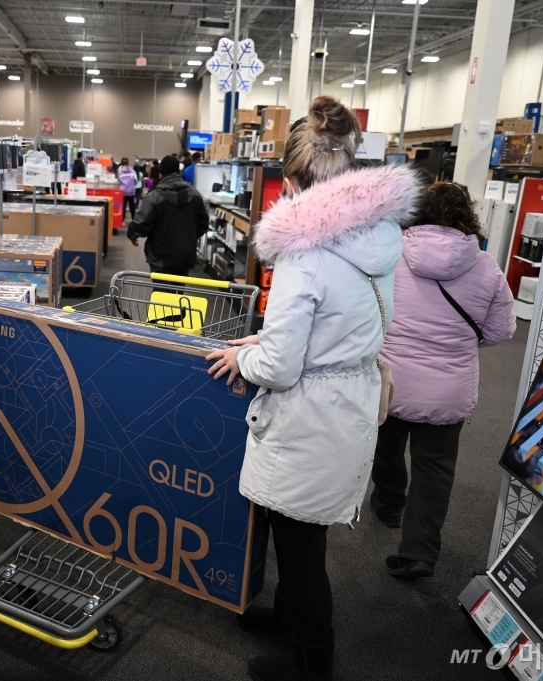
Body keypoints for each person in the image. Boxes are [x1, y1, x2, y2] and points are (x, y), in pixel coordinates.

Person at [205, 96, 420, 681]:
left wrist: (247, 359)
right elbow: (345, 328)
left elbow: (280, 367)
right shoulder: (377, 239)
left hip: (309, 414)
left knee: (301, 550)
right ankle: (292, 622)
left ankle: (311, 657)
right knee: (295, 529)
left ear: (298, 179)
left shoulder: (305, 253)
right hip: (345, 400)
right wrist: (268, 346)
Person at [370, 181, 516, 579]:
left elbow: (368, 313)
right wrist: (459, 344)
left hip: (391, 382)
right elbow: (503, 330)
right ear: (467, 216)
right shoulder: (487, 267)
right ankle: (419, 552)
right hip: (448, 391)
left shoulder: (390, 255)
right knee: (435, 468)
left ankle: (387, 506)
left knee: (384, 449)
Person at [127, 155, 209, 276]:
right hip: (184, 256)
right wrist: (195, 235)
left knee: (160, 293)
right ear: (178, 171)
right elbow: (203, 222)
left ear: (161, 174)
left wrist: (132, 234)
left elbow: (142, 223)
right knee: (179, 292)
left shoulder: (154, 196)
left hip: (160, 257)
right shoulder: (195, 194)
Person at [117, 157, 138, 223]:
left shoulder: (120, 172)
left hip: (123, 192)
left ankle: (122, 221)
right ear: (128, 163)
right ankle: (133, 220)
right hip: (131, 191)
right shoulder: (133, 171)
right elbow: (136, 181)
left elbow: (119, 180)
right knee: (132, 207)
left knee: (123, 207)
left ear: (122, 164)